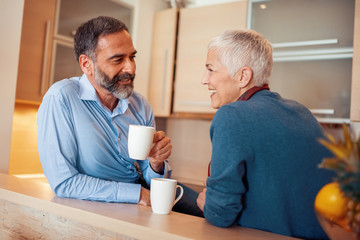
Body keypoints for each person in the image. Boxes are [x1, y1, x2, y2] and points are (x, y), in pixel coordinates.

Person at [37, 16, 202, 217]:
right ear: (86, 64)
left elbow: (150, 176)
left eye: (132, 57)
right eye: (118, 60)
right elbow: (64, 183)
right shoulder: (61, 98)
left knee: (212, 212)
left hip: (145, 197)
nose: (130, 69)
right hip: (110, 205)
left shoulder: (140, 105)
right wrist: (137, 194)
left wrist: (155, 164)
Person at [195, 29, 334, 239]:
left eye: (211, 70)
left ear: (243, 76)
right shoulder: (301, 111)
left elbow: (220, 214)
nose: (204, 80)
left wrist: (208, 204)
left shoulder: (231, 115)